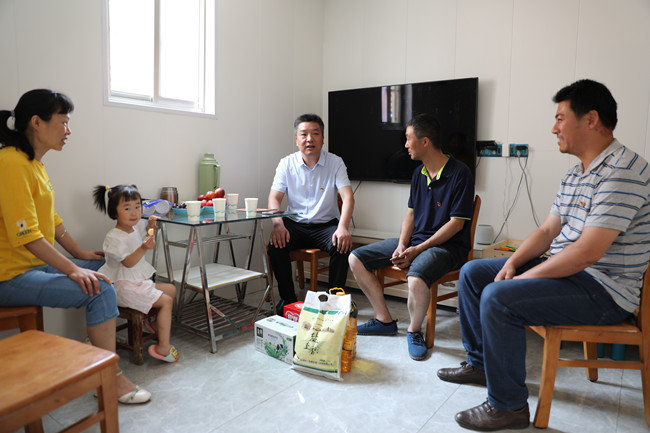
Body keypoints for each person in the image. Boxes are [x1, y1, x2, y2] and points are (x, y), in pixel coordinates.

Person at [437, 79, 650, 431]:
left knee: (499, 297)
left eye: (560, 118)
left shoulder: (623, 171)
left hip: (604, 290)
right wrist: (512, 262)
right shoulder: (576, 172)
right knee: (474, 273)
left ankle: (508, 406)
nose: (554, 128)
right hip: (572, 273)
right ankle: (481, 365)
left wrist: (520, 279)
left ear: (591, 119)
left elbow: (587, 252)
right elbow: (548, 230)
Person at [0, 89, 151, 404]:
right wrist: (72, 268)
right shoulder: (10, 163)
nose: (68, 131)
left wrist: (80, 255)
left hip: (33, 267)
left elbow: (51, 221)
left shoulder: (34, 164)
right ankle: (109, 377)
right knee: (101, 288)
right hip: (10, 276)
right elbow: (28, 235)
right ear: (37, 123)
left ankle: (98, 343)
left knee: (105, 265)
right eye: (63, 122)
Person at [349, 113, 474, 360]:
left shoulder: (461, 173)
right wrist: (402, 244)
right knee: (356, 258)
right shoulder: (418, 173)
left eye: (408, 139)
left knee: (415, 279)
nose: (405, 145)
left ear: (425, 141)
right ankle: (384, 320)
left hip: (448, 247)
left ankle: (414, 331)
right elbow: (411, 214)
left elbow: (456, 224)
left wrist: (418, 249)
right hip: (417, 242)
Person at [267, 113, 355, 314]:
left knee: (342, 245)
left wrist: (343, 227)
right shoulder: (286, 163)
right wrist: (278, 224)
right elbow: (274, 198)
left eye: (315, 133)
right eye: (304, 134)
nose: (309, 139)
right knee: (275, 245)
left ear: (322, 138)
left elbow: (348, 197)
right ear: (296, 139)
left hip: (326, 225)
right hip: (295, 224)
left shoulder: (335, 162)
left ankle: (333, 302)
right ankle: (288, 301)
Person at [92, 184, 178, 362]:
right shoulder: (113, 237)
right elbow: (128, 262)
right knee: (166, 301)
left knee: (171, 289)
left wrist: (151, 226)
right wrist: (144, 247)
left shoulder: (135, 226)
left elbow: (145, 232)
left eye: (137, 207)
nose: (134, 213)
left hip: (137, 284)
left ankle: (156, 326)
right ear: (114, 212)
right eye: (127, 208)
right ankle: (163, 347)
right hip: (123, 288)